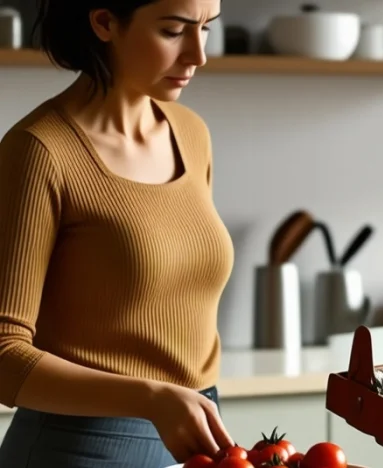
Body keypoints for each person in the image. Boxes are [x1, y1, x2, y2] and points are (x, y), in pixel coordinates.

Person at [0, 0, 236, 466]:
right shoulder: (40, 151)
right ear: (105, 22)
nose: (198, 55)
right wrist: (149, 398)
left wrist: (173, 405)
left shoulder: (191, 133)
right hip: (77, 447)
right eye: (173, 31)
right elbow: (3, 356)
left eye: (206, 28)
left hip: (194, 435)